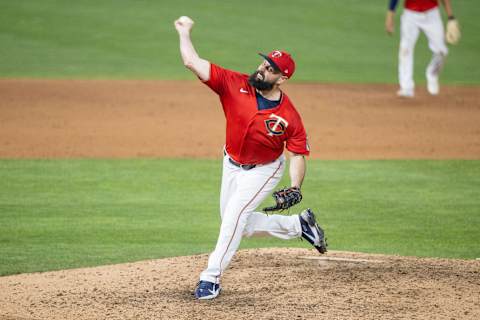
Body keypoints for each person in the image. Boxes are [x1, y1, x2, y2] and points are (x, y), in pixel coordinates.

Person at [174, 16, 327, 300]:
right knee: (236, 225)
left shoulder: (288, 116)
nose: (262, 68)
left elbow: (297, 154)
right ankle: (299, 226)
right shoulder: (234, 84)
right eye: (264, 63)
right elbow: (192, 62)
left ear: (282, 79)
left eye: (271, 69)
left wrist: (295, 186)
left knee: (234, 217)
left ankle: (211, 277)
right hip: (230, 162)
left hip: (264, 170)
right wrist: (184, 33)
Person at [385, 0, 459, 97]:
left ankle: (432, 73)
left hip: (432, 15)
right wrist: (390, 16)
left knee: (441, 51)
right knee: (405, 50)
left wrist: (451, 17)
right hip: (410, 15)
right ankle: (406, 87)